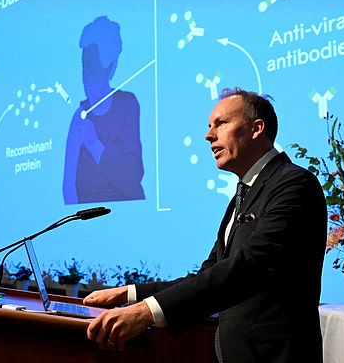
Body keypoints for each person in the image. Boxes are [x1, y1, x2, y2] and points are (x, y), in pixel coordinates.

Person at [84, 88, 327, 362]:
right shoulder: (243, 195)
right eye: (210, 126)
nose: (209, 135)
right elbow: (210, 273)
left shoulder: (293, 185)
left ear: (257, 128)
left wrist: (146, 312)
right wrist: (132, 294)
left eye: (221, 123)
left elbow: (249, 266)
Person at [63, 15, 145, 204]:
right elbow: (68, 187)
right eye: (84, 69)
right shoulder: (79, 116)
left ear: (110, 68)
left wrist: (93, 144)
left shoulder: (127, 104)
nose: (86, 78)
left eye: (93, 69)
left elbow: (132, 177)